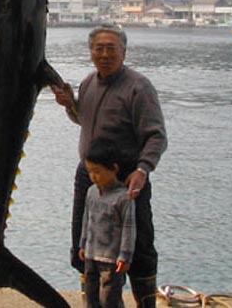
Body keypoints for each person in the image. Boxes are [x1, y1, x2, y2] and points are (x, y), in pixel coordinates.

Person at [51, 24, 167, 308]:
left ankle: (146, 303)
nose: (104, 54)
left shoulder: (139, 88)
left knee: (139, 247)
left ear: (124, 52)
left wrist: (143, 169)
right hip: (89, 177)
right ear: (91, 52)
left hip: (127, 178)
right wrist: (70, 104)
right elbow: (84, 119)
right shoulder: (89, 83)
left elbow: (156, 136)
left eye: (111, 48)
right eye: (98, 48)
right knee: (84, 243)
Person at [79, 141, 135, 308]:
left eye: (98, 171)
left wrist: (125, 255)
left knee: (109, 298)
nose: (94, 176)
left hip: (111, 259)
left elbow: (129, 228)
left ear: (114, 168)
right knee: (91, 296)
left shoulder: (123, 198)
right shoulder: (91, 192)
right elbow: (86, 219)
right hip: (91, 254)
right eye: (90, 172)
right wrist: (82, 243)